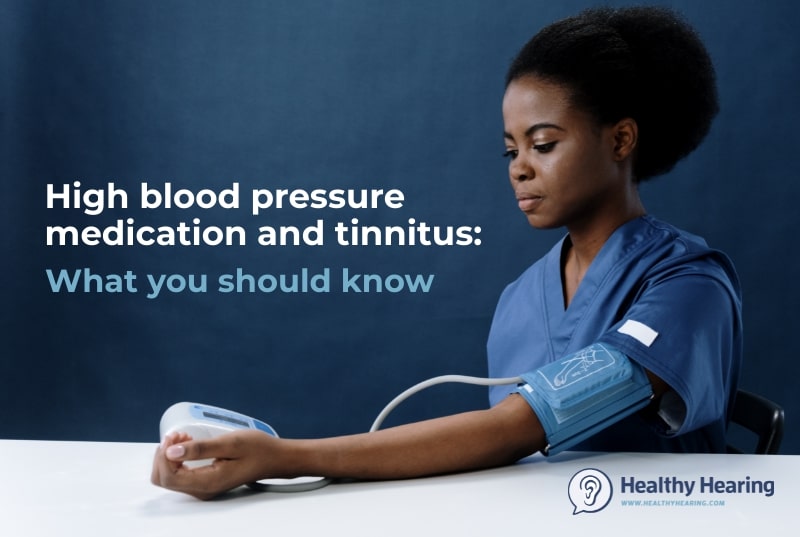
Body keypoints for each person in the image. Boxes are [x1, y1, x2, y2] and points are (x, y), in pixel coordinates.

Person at [151, 5, 742, 500]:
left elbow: (515, 429)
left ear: (620, 139)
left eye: (543, 143)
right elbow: (506, 462)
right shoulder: (520, 299)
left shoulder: (689, 289)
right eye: (510, 150)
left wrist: (281, 458)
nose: (520, 169)